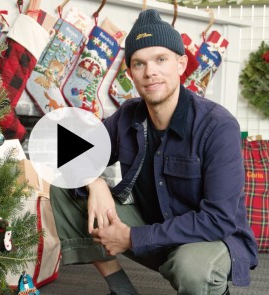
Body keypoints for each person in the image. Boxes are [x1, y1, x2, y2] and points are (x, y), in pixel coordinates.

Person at [50, 9, 258, 295]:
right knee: (66, 186)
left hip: (212, 239)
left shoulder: (218, 126)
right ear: (130, 73)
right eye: (139, 63)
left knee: (193, 270)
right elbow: (67, 150)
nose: (151, 72)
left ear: (181, 63)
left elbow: (219, 219)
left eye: (161, 59)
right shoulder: (127, 116)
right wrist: (94, 183)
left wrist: (133, 238)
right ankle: (121, 290)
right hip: (155, 226)